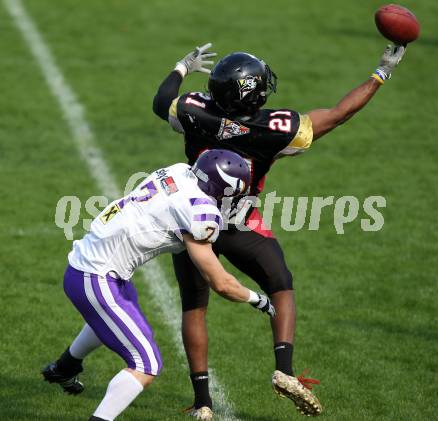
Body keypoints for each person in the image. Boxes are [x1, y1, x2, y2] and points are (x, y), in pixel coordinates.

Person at [152, 42, 406, 418]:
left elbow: (162, 102)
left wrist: (181, 67)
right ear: (253, 95)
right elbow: (339, 114)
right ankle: (284, 370)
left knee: (194, 306)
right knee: (281, 285)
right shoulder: (275, 129)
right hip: (238, 220)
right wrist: (380, 73)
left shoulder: (195, 111)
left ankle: (203, 403)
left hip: (193, 218)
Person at [41, 150, 276, 421]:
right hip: (95, 278)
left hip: (91, 265)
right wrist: (259, 299)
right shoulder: (200, 210)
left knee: (122, 309)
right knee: (146, 364)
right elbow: (220, 282)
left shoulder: (178, 171)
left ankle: (64, 368)